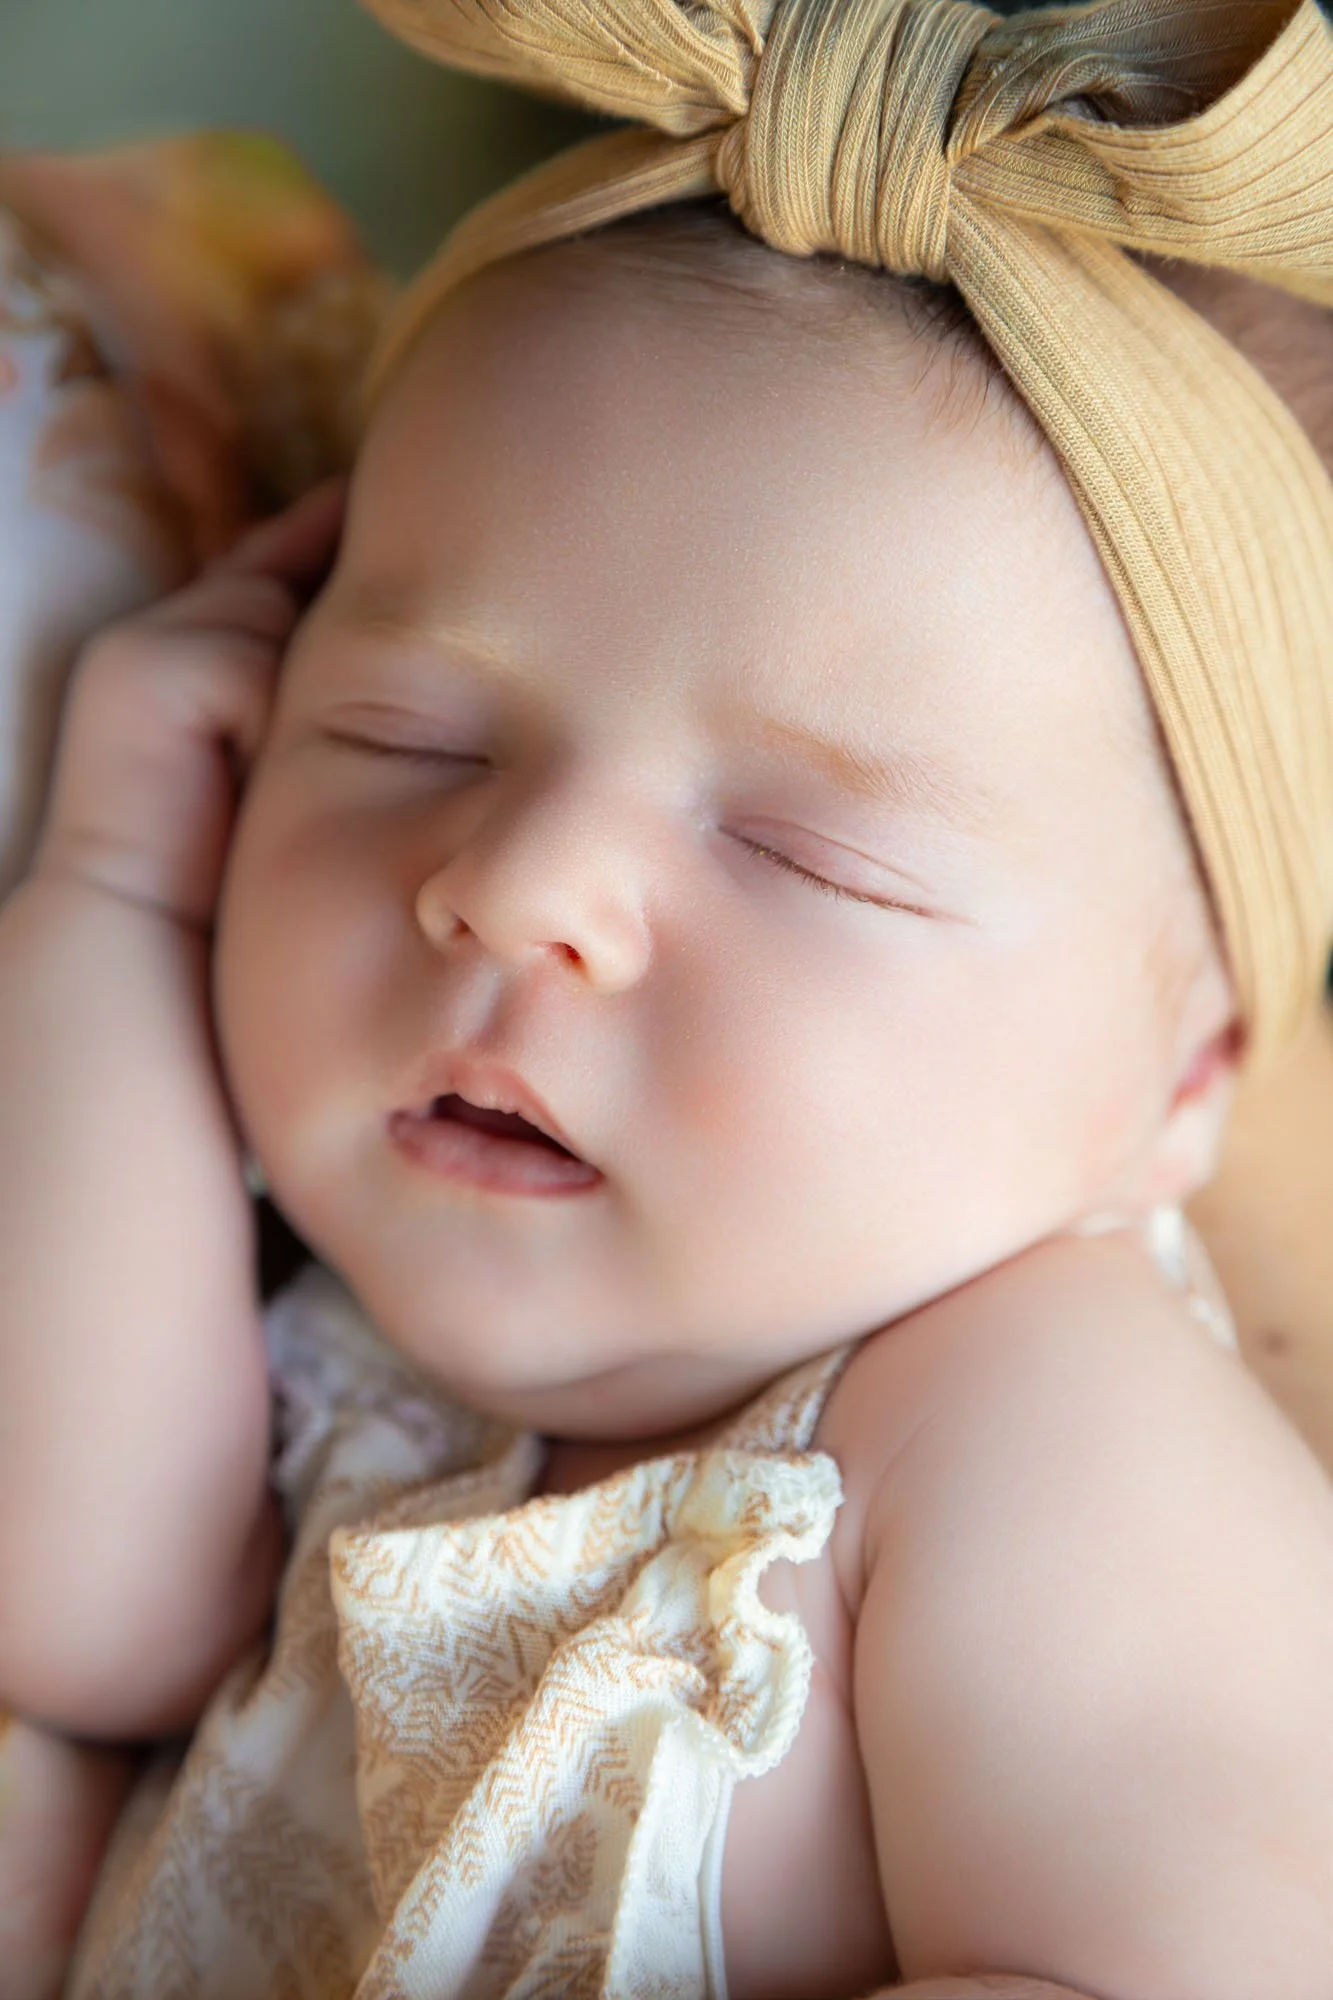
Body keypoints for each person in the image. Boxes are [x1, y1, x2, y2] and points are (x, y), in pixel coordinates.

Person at [3, 2, 1333, 1996]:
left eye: (807, 856)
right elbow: (70, 1608)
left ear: (1180, 1080)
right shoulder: (347, 1344)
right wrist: (109, 882)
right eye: (406, 731)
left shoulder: (1024, 1415)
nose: (512, 887)